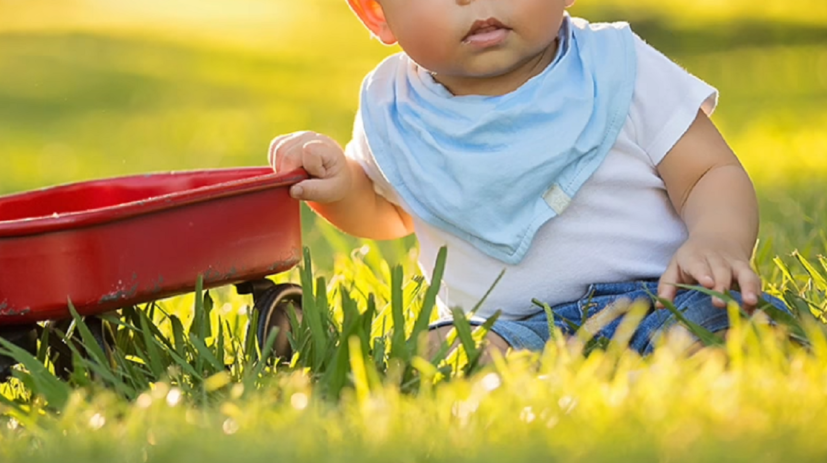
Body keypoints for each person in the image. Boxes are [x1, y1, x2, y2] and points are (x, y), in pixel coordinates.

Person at [268, 0, 787, 356]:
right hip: (507, 327)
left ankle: (694, 354)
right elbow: (391, 211)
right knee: (448, 349)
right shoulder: (395, 108)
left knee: (723, 322)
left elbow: (708, 173)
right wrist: (342, 187)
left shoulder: (618, 69)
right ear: (377, 13)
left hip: (664, 298)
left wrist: (717, 239)